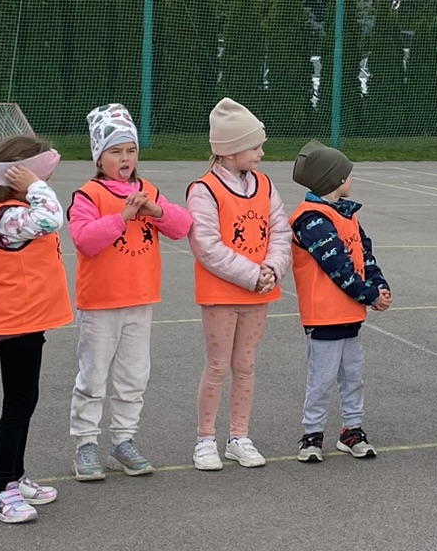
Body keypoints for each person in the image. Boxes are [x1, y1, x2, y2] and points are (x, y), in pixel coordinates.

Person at [68, 103, 191, 481]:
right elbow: (85, 241)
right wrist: (121, 217)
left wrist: (156, 211)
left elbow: (182, 226)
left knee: (134, 376)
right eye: (116, 151)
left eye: (131, 150)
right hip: (101, 302)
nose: (125, 158)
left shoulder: (148, 190)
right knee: (93, 377)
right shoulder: (88, 194)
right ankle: (85, 443)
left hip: (140, 300)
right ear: (99, 157)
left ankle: (122, 440)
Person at [0, 135, 74, 525]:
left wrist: (33, 187)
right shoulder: (5, 215)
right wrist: (36, 186)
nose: (47, 183)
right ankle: (1, 490)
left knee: (25, 402)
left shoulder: (2, 210)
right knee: (17, 407)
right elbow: (51, 218)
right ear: (19, 176)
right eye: (44, 176)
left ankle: (16, 475)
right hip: (15, 323)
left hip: (25, 320)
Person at [186, 97, 290, 471]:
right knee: (217, 367)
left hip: (258, 293)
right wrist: (251, 274)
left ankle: (239, 437)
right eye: (255, 146)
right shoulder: (204, 190)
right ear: (230, 151)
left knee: (245, 365)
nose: (261, 153)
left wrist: (273, 268)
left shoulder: (264, 184)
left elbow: (280, 230)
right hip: (221, 295)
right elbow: (207, 246)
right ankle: (205, 440)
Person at [288, 140, 390, 463]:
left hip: (350, 315)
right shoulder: (312, 220)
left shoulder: (347, 214)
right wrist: (369, 295)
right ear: (334, 180)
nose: (352, 178)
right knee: (321, 379)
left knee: (353, 377)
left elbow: (364, 254)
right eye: (348, 173)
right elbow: (338, 268)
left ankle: (352, 430)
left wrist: (379, 284)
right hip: (323, 316)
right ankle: (312, 434)